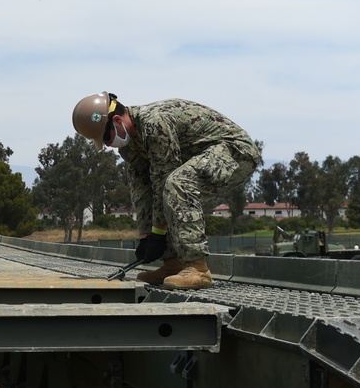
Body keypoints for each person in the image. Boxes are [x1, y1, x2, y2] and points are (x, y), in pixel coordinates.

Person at [72, 92, 261, 289]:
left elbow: (164, 180)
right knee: (168, 189)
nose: (109, 145)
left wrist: (158, 233)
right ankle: (173, 265)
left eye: (106, 137)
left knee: (178, 184)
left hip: (236, 153)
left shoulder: (155, 124)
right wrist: (147, 236)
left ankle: (198, 268)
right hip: (201, 157)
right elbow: (141, 189)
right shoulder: (129, 147)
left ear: (117, 120)